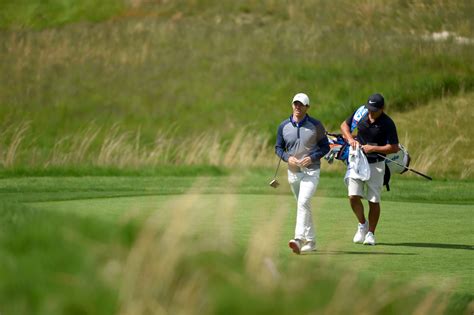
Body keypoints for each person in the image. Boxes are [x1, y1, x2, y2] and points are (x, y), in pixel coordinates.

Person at [340, 93, 399, 245]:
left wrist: (374, 148)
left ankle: (371, 234)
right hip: (357, 161)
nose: (370, 113)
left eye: (374, 110)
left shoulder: (387, 123)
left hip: (376, 163)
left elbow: (394, 147)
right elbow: (344, 126)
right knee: (353, 196)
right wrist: (351, 139)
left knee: (373, 200)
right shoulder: (361, 113)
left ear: (382, 109)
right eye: (369, 109)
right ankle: (362, 224)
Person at [275, 92, 330, 254]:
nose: (298, 107)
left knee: (303, 202)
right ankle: (311, 241)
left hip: (311, 171)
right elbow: (278, 148)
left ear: (307, 107)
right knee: (303, 205)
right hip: (293, 172)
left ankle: (298, 238)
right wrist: (287, 158)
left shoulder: (316, 125)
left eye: (301, 104)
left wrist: (312, 157)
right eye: (295, 104)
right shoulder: (283, 126)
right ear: (292, 105)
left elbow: (325, 147)